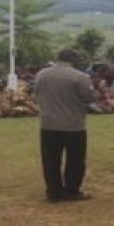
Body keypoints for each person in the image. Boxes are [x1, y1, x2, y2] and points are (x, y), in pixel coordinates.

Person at [33, 49, 96, 203]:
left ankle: (54, 193)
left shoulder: (42, 74)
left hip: (48, 124)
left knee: (50, 160)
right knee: (75, 160)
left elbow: (36, 93)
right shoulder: (80, 77)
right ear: (74, 60)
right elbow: (89, 98)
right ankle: (72, 191)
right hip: (73, 125)